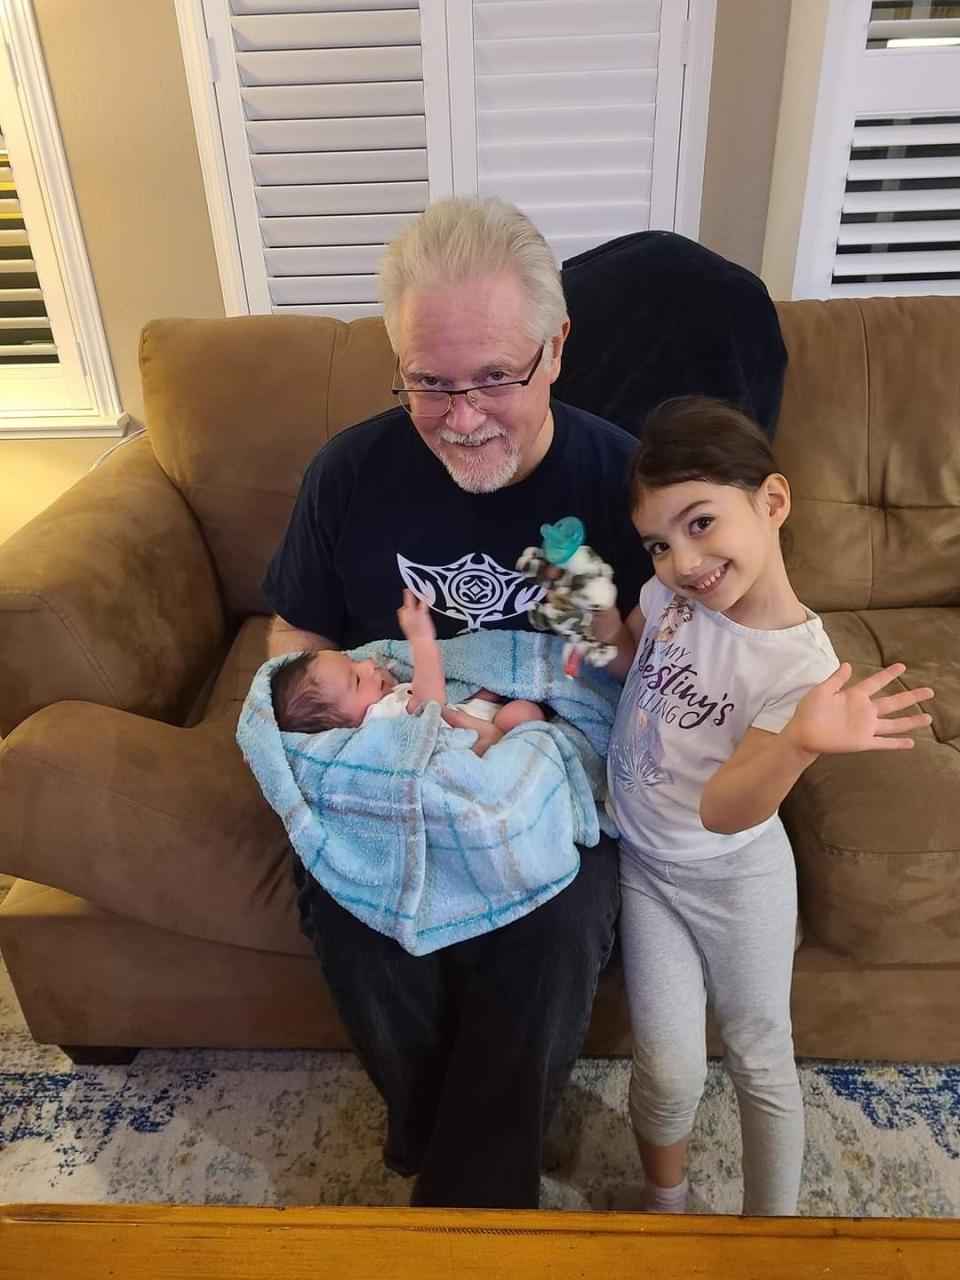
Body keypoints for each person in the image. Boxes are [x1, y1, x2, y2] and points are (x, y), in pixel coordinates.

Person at [260, 195, 648, 1208]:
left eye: (494, 378)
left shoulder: (619, 478)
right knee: (351, 908)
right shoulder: (349, 472)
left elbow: (658, 670)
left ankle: (467, 1204)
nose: (462, 416)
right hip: (392, 759)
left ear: (555, 349)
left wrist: (589, 618)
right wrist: (334, 747)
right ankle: (439, 1146)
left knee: (556, 924)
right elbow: (295, 636)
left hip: (541, 763)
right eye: (429, 382)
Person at [592, 396, 935, 1216]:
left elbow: (725, 809)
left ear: (772, 501)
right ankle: (665, 1204)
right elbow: (629, 660)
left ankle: (769, 1236)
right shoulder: (672, 599)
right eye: (659, 543)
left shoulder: (799, 668)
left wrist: (799, 744)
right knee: (666, 1066)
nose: (683, 560)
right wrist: (583, 602)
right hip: (645, 864)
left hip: (733, 879)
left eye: (701, 523)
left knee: (760, 1056)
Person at [272, 590, 545, 753]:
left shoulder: (383, 701)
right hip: (466, 746)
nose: (367, 665)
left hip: (463, 720)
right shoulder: (379, 723)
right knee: (523, 714)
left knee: (516, 709)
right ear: (339, 727)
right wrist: (422, 641)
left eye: (353, 662)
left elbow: (437, 702)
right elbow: (429, 706)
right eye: (356, 680)